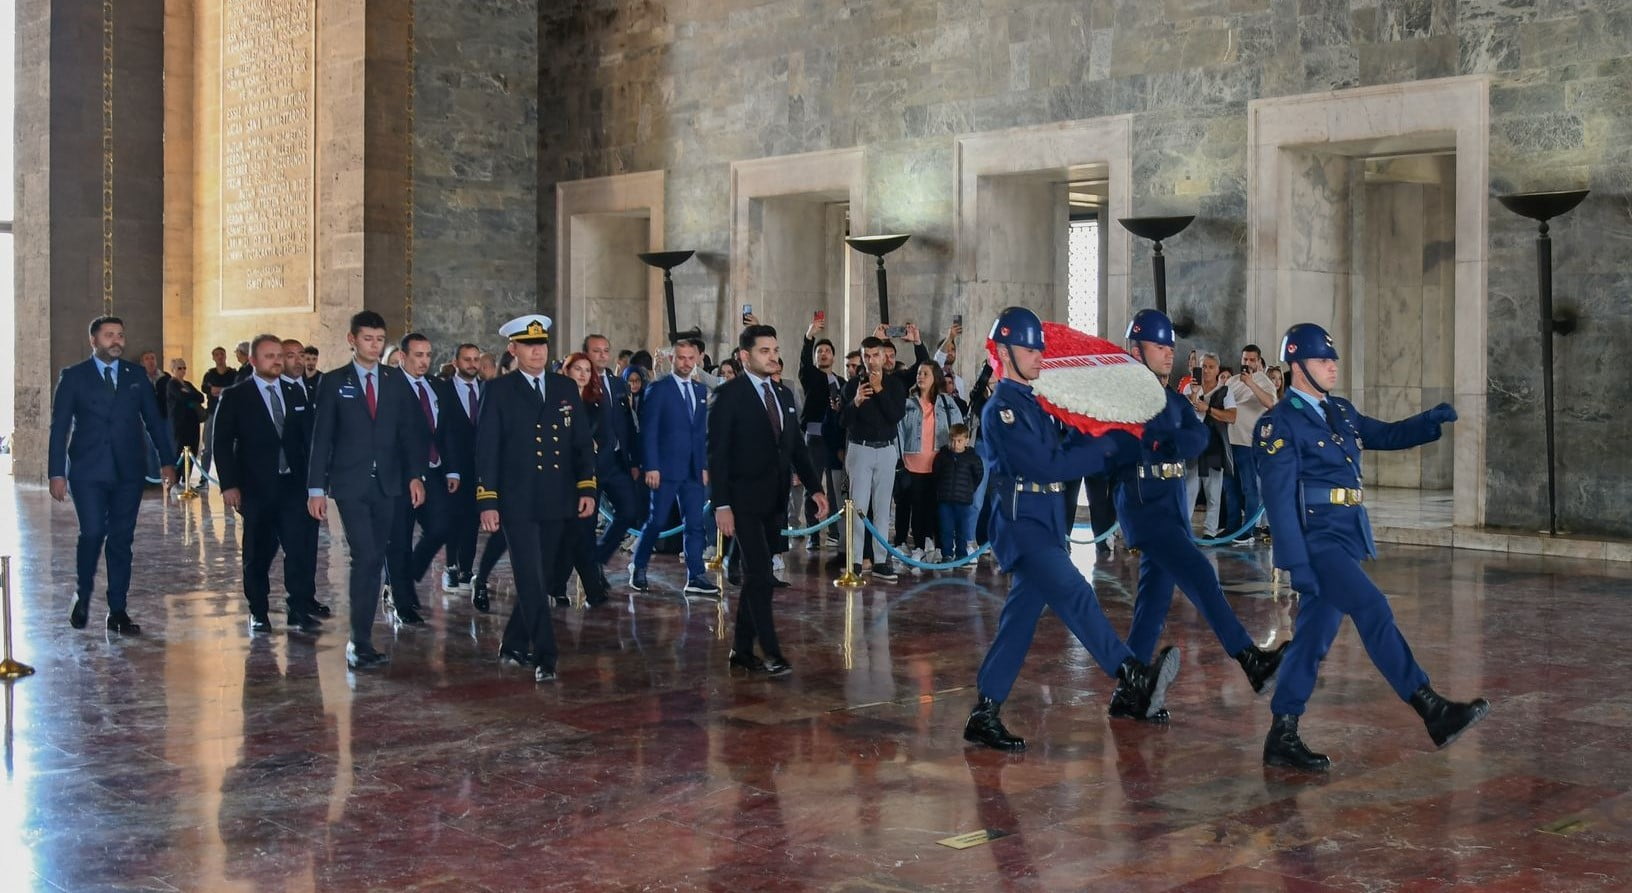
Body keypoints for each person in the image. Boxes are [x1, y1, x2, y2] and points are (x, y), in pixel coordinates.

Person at [1257, 323, 1488, 770]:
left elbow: (1383, 434)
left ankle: (1282, 734)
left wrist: (1426, 423)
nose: (1333, 366)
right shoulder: (1279, 423)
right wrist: (1295, 566)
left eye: (1333, 358)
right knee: (1373, 608)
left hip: (1346, 534)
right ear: (1297, 365)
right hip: (1316, 540)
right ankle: (1430, 708)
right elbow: (1279, 501)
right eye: (1324, 360)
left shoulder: (1340, 411)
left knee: (1311, 640)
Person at [963, 307, 1180, 752]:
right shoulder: (1000, 410)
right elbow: (1046, 464)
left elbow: (1066, 444)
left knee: (1019, 621)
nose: (1039, 355)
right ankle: (1131, 673)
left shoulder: (1038, 404)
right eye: (1029, 348)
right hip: (1022, 525)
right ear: (1004, 352)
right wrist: (1103, 450)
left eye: (1040, 347)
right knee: (1076, 593)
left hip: (1046, 521)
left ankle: (984, 712)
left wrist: (1109, 425)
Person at [1111, 309, 1287, 723]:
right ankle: (1250, 660)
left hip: (1170, 504)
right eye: (1159, 346)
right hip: (1144, 504)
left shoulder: (1170, 398)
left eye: (1171, 346)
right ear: (1136, 350)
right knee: (1201, 575)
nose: (1169, 353)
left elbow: (1197, 435)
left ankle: (1127, 693)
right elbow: (1125, 449)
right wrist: (1162, 441)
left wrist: (1165, 441)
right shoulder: (1123, 399)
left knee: (1153, 602)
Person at [474, 314, 596, 683]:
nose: (538, 351)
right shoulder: (499, 390)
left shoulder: (564, 388)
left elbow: (580, 444)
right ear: (513, 349)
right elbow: (487, 449)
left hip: (557, 499)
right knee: (529, 576)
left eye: (542, 344)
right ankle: (546, 654)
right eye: (529, 346)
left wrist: (587, 486)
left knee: (541, 578)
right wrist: (488, 501)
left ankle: (512, 642)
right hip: (517, 501)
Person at [307, 310, 431, 671]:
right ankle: (358, 642)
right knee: (366, 556)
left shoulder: (394, 381)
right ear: (352, 340)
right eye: (367, 339)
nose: (374, 346)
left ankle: (362, 637)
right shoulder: (334, 382)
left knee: (378, 556)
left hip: (389, 484)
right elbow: (322, 438)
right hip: (350, 484)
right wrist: (316, 488)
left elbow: (410, 434)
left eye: (379, 340)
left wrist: (415, 475)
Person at [710, 324, 828, 677]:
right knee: (760, 574)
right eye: (765, 351)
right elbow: (716, 456)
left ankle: (741, 650)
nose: (773, 356)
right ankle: (773, 652)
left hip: (774, 500)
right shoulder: (728, 395)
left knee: (757, 579)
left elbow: (795, 448)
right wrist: (721, 505)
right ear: (745, 356)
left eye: (775, 349)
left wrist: (815, 488)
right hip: (742, 501)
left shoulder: (785, 395)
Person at [48, 316, 178, 634]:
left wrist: (167, 461)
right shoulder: (74, 377)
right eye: (109, 336)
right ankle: (83, 593)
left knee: (121, 540)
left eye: (120, 335)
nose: (116, 340)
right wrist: (56, 473)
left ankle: (117, 610)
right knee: (92, 533)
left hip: (128, 472)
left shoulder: (136, 376)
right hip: (88, 471)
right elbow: (60, 427)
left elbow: (154, 420)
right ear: (94, 340)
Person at [212, 334, 323, 633]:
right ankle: (258, 611)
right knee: (257, 554)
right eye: (269, 356)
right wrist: (229, 485)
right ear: (253, 361)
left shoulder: (295, 393)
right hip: (256, 488)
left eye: (279, 355)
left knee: (298, 550)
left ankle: (298, 608)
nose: (276, 361)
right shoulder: (236, 396)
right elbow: (221, 443)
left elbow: (308, 441)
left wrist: (316, 484)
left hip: (293, 486)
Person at [385, 332, 468, 625]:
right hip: (399, 474)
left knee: (442, 527)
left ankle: (402, 578)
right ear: (402, 357)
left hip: (433, 471)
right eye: (418, 355)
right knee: (400, 539)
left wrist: (452, 469)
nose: (424, 361)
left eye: (428, 355)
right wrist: (409, 474)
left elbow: (447, 431)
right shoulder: (389, 385)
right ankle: (402, 600)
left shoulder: (437, 386)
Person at [631, 337, 716, 596]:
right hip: (665, 469)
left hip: (692, 470)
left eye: (691, 358)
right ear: (672, 359)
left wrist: (702, 465)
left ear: (698, 360)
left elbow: (700, 433)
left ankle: (696, 575)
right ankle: (639, 565)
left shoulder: (701, 392)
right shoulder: (659, 389)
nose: (686, 363)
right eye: (681, 358)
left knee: (695, 524)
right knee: (656, 521)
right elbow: (649, 432)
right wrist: (651, 466)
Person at [549, 352, 614, 607]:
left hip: (586, 476)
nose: (583, 374)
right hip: (559, 477)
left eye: (588, 369)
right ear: (567, 370)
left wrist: (593, 448)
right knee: (573, 534)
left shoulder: (595, 402)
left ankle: (567, 588)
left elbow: (606, 435)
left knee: (580, 533)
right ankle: (583, 589)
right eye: (578, 368)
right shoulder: (555, 400)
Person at [841, 336, 907, 581]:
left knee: (882, 508)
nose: (871, 361)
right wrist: (855, 402)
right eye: (866, 356)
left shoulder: (894, 385)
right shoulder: (852, 386)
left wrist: (879, 390)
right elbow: (842, 422)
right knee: (858, 507)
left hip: (887, 449)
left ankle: (880, 560)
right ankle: (855, 560)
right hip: (861, 449)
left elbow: (895, 416)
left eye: (875, 355)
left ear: (883, 356)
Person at [583, 334, 648, 585]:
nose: (601, 355)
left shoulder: (618, 383)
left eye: (605, 350)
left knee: (629, 510)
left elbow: (628, 424)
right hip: (590, 464)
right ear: (586, 353)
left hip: (616, 461)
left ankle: (598, 558)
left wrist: (633, 461)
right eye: (596, 351)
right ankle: (588, 571)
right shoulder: (579, 382)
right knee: (586, 522)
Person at [896, 361, 963, 560]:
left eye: (925, 373)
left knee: (935, 508)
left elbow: (958, 426)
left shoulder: (946, 402)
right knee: (916, 507)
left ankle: (937, 546)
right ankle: (917, 546)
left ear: (935, 377)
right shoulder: (908, 403)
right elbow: (898, 432)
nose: (920, 376)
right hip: (912, 463)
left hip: (937, 463)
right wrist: (898, 459)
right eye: (918, 373)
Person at [797, 316, 848, 540]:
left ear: (834, 356)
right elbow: (804, 363)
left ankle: (835, 531)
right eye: (820, 351)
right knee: (814, 485)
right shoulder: (810, 376)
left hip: (835, 441)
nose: (823, 354)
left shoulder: (842, 382)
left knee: (837, 488)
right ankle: (813, 534)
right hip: (815, 438)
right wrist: (810, 338)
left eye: (827, 351)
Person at [439, 343, 484, 593]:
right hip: (453, 468)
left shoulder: (487, 389)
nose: (472, 364)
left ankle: (467, 568)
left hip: (480, 468)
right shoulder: (443, 390)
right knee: (453, 519)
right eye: (467, 359)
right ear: (456, 362)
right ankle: (451, 568)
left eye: (476, 359)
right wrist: (450, 468)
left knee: (473, 520)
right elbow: (441, 431)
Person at [1223, 344, 1278, 545]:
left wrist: (1251, 383)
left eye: (1251, 360)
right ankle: (1232, 527)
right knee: (1231, 488)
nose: (1247, 363)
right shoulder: (1233, 380)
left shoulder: (1264, 381)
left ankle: (1249, 529)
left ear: (1258, 361)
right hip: (1230, 440)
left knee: (1249, 487)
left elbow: (1271, 403)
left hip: (1249, 442)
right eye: (1245, 359)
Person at [1184, 352, 1229, 537]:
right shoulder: (1189, 387)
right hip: (1193, 447)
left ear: (1217, 369)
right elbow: (1185, 414)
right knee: (1189, 490)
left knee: (1213, 492)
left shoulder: (1225, 391)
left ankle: (1210, 530)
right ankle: (1184, 529)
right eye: (1204, 366)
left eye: (1211, 367)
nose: (1207, 370)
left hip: (1213, 446)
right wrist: (1194, 396)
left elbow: (1231, 416)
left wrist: (1208, 409)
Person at [933, 423, 982, 562]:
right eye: (953, 440)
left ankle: (962, 554)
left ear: (966, 440)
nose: (955, 444)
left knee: (962, 529)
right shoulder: (943, 456)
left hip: (964, 500)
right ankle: (947, 554)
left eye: (959, 441)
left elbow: (979, 475)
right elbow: (936, 474)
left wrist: (969, 489)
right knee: (946, 529)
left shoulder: (972, 458)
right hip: (945, 500)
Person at [199, 346, 237, 488]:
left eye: (222, 354)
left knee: (231, 446)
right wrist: (214, 390)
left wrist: (220, 390)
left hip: (229, 414)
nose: (220, 357)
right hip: (212, 413)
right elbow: (205, 388)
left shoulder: (233, 373)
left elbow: (236, 388)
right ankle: (204, 478)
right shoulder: (210, 374)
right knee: (207, 447)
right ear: (213, 357)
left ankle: (232, 478)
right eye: (217, 355)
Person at [167, 359, 206, 465]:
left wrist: (188, 395)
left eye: (184, 368)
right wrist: (190, 396)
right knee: (179, 449)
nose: (182, 370)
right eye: (179, 368)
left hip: (192, 421)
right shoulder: (172, 384)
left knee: (193, 448)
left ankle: (186, 477)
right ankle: (177, 477)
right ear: (173, 369)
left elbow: (201, 397)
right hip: (180, 422)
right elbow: (181, 397)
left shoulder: (188, 384)